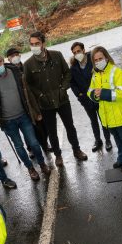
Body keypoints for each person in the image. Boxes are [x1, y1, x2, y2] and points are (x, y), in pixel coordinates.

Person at [0, 53, 51, 181]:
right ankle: (30, 168)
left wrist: (36, 111)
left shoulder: (16, 72)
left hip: (24, 116)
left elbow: (28, 93)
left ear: (3, 61)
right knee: (19, 146)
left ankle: (42, 163)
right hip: (7, 121)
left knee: (34, 143)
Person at [23, 31, 88, 167]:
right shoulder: (28, 64)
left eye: (37, 43)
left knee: (70, 127)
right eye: (32, 44)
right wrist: (40, 95)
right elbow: (28, 84)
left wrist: (63, 89)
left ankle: (77, 150)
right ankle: (58, 155)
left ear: (43, 43)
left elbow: (67, 73)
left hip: (62, 99)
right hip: (45, 104)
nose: (34, 46)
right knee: (52, 132)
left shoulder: (56, 55)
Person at [87, 46, 122, 172]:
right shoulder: (95, 75)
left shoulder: (117, 72)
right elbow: (90, 91)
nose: (98, 62)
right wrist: (95, 95)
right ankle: (121, 158)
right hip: (107, 116)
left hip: (119, 114)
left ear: (106, 58)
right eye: (95, 60)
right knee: (117, 139)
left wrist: (102, 93)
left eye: (100, 58)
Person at [6, 47, 52, 157]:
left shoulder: (26, 67)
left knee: (42, 125)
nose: (15, 57)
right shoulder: (10, 72)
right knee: (29, 129)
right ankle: (30, 148)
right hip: (23, 105)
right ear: (8, 58)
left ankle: (45, 143)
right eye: (12, 56)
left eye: (16, 55)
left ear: (20, 55)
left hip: (35, 100)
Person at [70, 41, 112, 152]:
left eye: (79, 51)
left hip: (97, 95)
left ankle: (108, 140)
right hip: (85, 99)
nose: (77, 54)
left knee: (103, 118)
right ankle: (98, 140)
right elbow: (72, 83)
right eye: (74, 52)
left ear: (83, 50)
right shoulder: (73, 67)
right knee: (93, 120)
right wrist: (79, 95)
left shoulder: (94, 61)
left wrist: (101, 91)